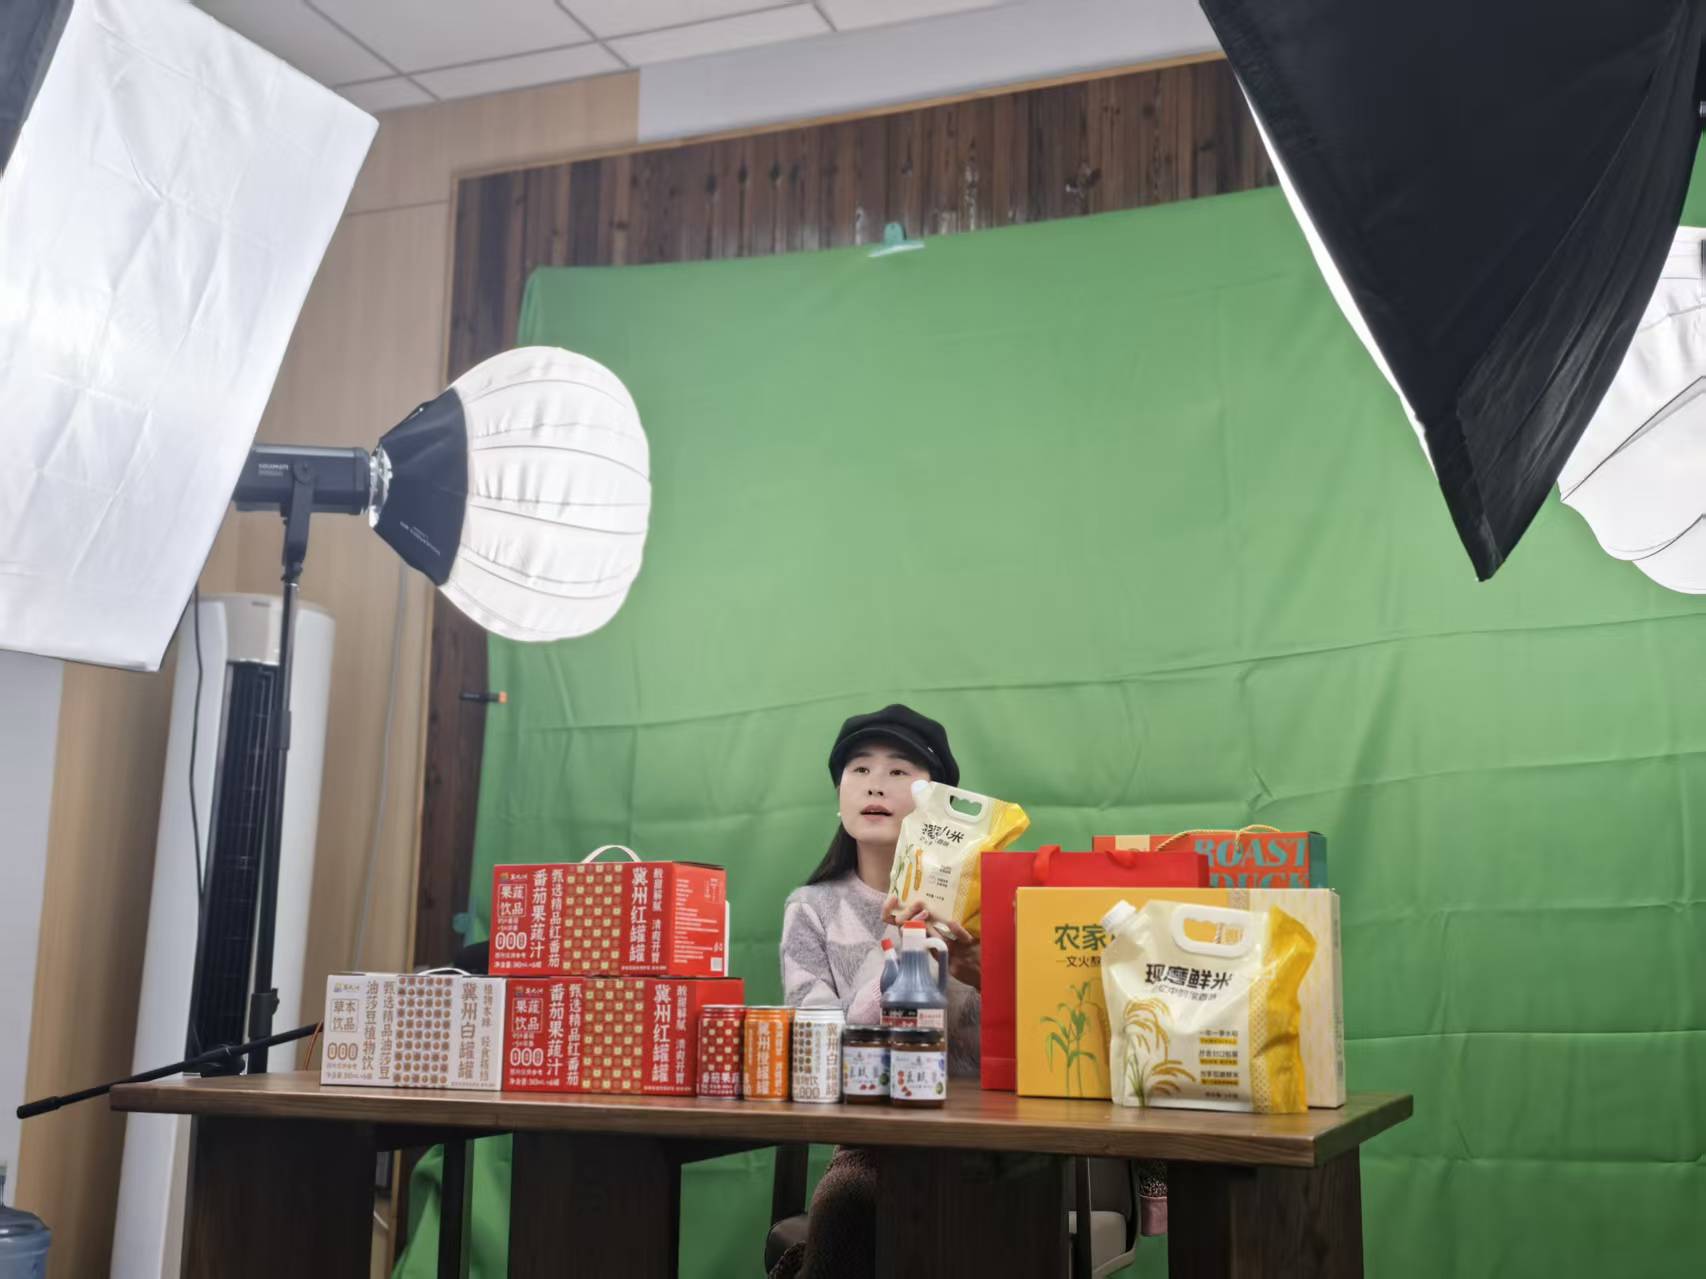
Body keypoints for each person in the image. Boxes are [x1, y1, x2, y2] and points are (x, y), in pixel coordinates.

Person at [770, 704, 978, 1279]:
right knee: (852, 1206)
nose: (875, 785)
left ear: (938, 803)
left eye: (899, 770)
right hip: (872, 1148)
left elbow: (1010, 1053)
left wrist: (975, 970)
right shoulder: (811, 909)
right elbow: (817, 1050)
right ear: (839, 795)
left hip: (990, 1146)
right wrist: (897, 949)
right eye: (859, 769)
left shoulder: (979, 903)